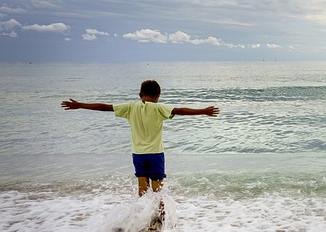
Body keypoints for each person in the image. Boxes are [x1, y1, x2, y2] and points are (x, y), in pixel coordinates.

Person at [61, 79, 219, 207]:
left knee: (142, 189)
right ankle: (159, 220)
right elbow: (179, 110)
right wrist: (203, 111)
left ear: (140, 94)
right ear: (158, 96)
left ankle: (142, 218)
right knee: (157, 190)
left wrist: (80, 105)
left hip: (138, 155)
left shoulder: (130, 107)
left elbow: (105, 107)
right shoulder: (158, 108)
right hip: (156, 154)